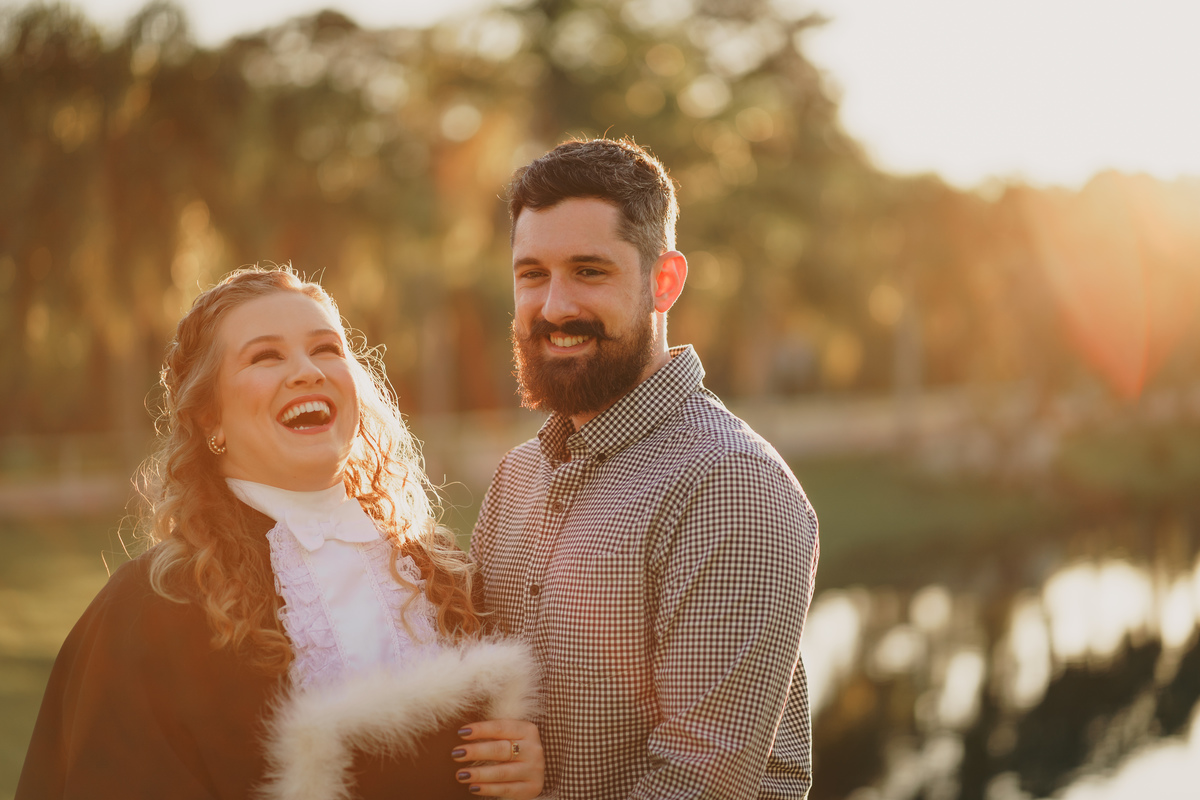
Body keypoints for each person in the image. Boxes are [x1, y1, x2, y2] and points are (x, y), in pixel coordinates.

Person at [17, 267, 544, 800]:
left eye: (326, 349)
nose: (307, 371)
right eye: (266, 357)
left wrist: (520, 764)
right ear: (208, 417)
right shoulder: (148, 607)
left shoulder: (438, 571)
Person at [471, 138, 820, 799]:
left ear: (664, 282)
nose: (553, 307)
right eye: (531, 274)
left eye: (590, 271)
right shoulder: (515, 478)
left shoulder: (732, 485)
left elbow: (697, 786)